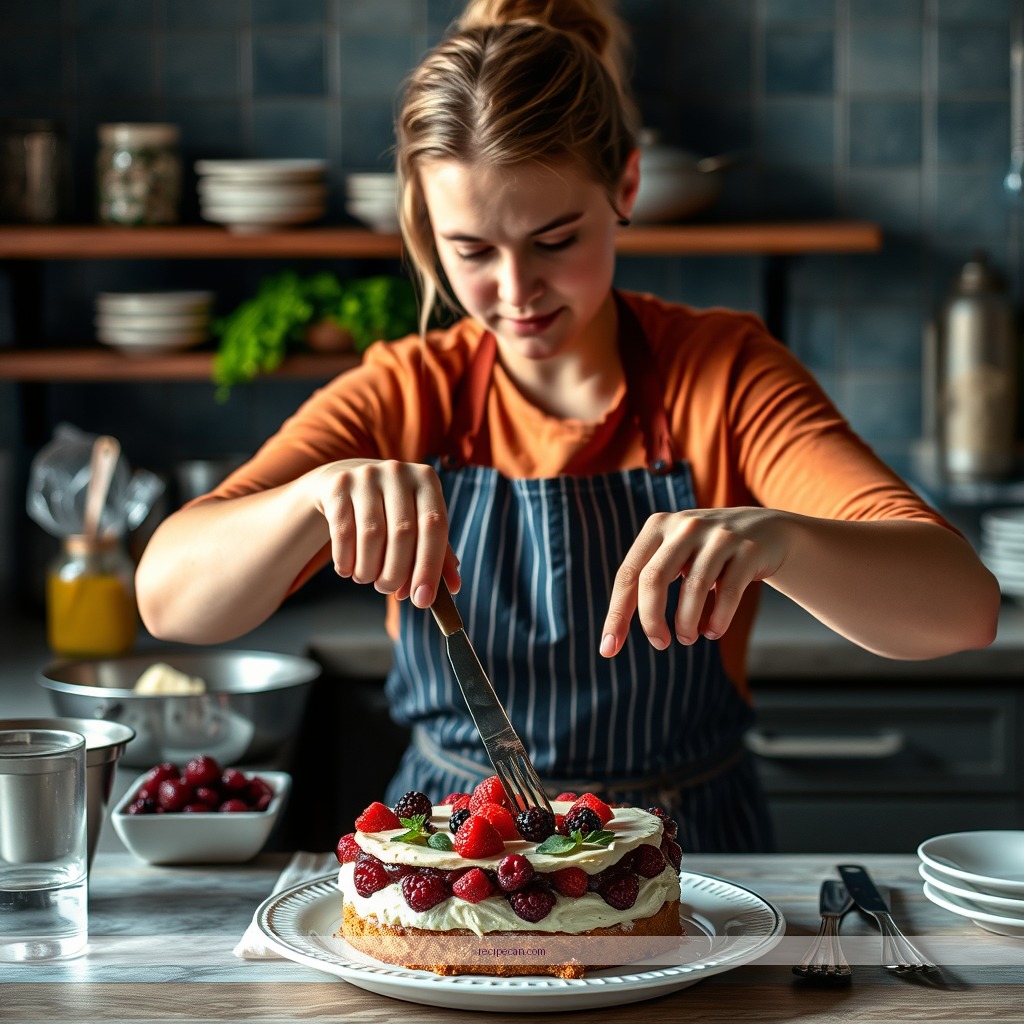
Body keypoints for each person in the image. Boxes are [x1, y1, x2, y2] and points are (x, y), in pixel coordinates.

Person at [136, 0, 1000, 852]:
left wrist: (785, 543)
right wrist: (310, 499)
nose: (516, 289)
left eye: (555, 240)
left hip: (685, 852)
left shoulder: (724, 375)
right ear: (425, 226)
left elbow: (962, 608)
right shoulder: (404, 393)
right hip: (454, 849)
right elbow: (170, 598)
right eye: (471, 250)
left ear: (624, 186)